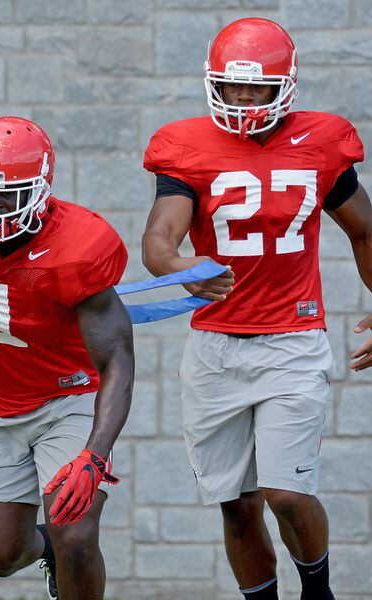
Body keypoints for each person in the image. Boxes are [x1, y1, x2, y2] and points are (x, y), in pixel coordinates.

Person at [142, 17, 372, 600]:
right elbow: (158, 239)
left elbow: (365, 231)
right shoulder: (186, 146)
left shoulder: (320, 142)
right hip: (216, 350)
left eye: (258, 89)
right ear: (213, 84)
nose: (244, 100)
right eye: (233, 87)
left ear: (286, 87)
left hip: (292, 341)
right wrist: (179, 270)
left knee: (286, 494)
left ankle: (318, 592)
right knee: (237, 507)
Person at [0, 116, 135, 600]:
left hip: (69, 397)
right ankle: (47, 554)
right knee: (0, 554)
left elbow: (117, 359)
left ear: (39, 192)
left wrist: (95, 455)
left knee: (76, 533)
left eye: (8, 195)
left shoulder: (80, 244)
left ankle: (66, 555)